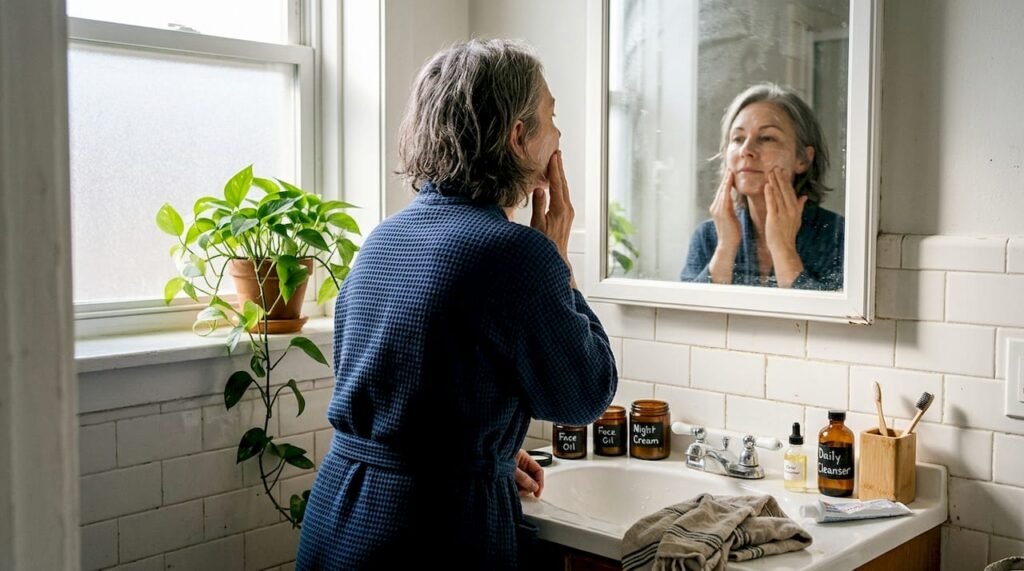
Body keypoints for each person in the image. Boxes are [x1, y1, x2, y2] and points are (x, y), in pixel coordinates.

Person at [296, 39, 618, 570]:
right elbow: (584, 395)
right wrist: (558, 260)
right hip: (433, 533)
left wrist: (477, 450)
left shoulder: (384, 239)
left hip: (340, 515)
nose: (559, 136)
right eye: (551, 117)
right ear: (519, 137)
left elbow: (399, 385)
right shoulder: (516, 253)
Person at [680, 83, 844, 290]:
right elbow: (690, 320)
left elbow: (827, 322)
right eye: (738, 139)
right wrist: (725, 248)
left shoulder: (838, 236)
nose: (746, 150)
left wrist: (783, 250)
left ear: (802, 159)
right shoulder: (707, 237)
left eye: (767, 138)